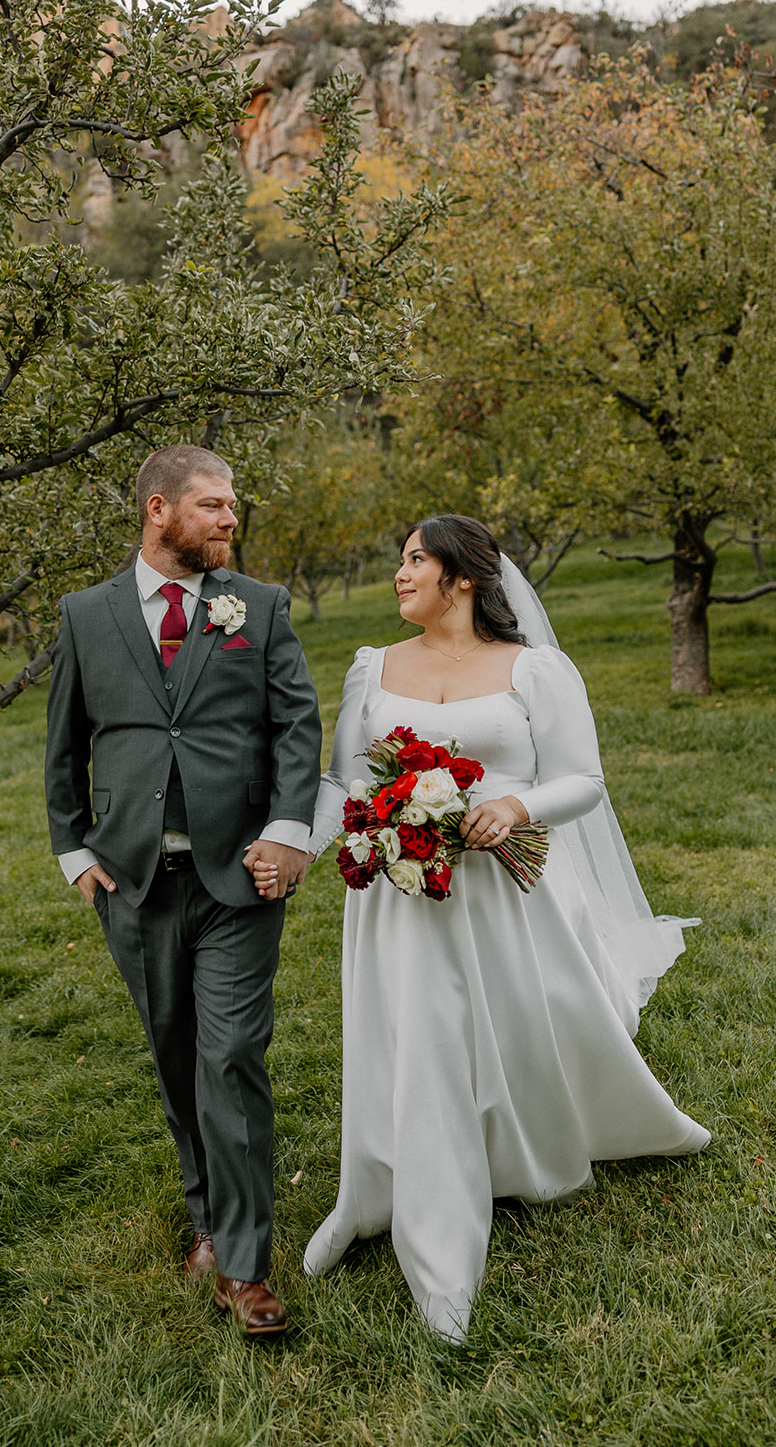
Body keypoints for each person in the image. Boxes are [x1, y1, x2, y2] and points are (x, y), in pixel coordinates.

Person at [253, 514, 709, 1342]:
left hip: (506, 892)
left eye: (414, 561)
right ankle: (396, 1214)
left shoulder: (534, 669)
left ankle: (513, 1153)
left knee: (511, 1036)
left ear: (461, 578)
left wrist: (511, 803)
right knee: (417, 1042)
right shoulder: (372, 667)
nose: (398, 575)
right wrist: (299, 847)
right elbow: (345, 781)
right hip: (397, 891)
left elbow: (583, 780)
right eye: (400, 561)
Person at [45, 444, 321, 1336]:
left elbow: (295, 729)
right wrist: (71, 850)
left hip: (239, 876)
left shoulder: (262, 608)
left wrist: (287, 831)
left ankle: (244, 1267)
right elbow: (64, 745)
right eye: (211, 505)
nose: (229, 519)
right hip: (132, 880)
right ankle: (206, 1212)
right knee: (174, 1052)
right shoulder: (85, 616)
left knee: (230, 1055)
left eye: (233, 504)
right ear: (158, 510)